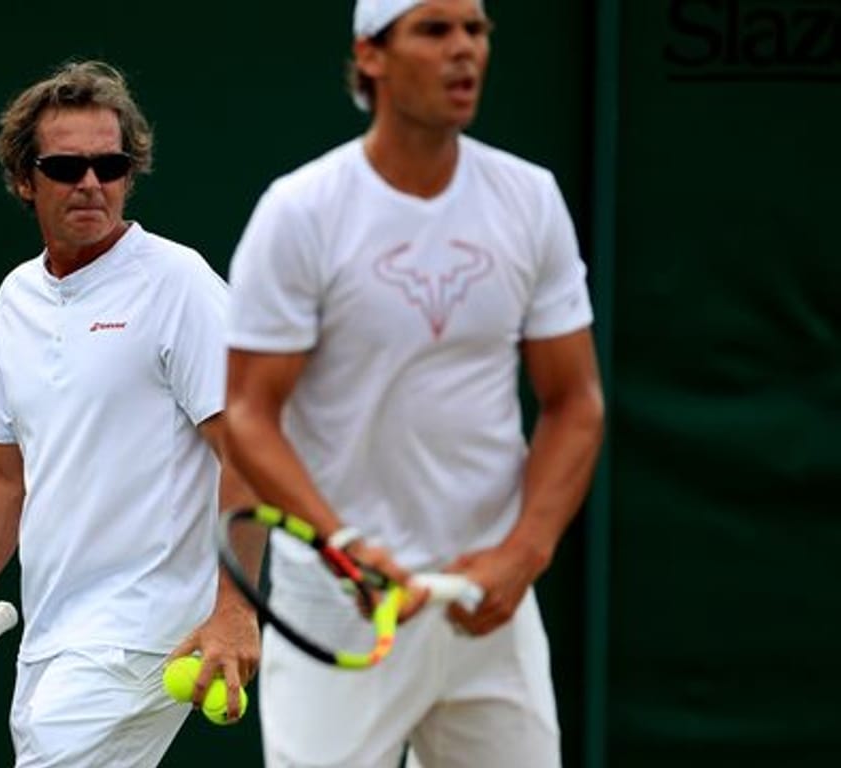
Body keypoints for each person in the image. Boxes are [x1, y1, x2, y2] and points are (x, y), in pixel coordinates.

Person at [222, 1, 605, 766]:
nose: (464, 50)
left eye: (477, 30)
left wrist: (523, 553)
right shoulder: (300, 212)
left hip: (484, 607)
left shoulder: (529, 199)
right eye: (435, 31)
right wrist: (346, 545)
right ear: (372, 56)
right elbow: (249, 416)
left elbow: (576, 404)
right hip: (340, 600)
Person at [0, 60, 261, 768]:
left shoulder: (178, 284)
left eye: (111, 163)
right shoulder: (15, 298)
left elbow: (247, 448)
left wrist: (235, 608)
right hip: (54, 634)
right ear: (24, 179)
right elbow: (4, 476)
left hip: (143, 631)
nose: (92, 182)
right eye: (67, 166)